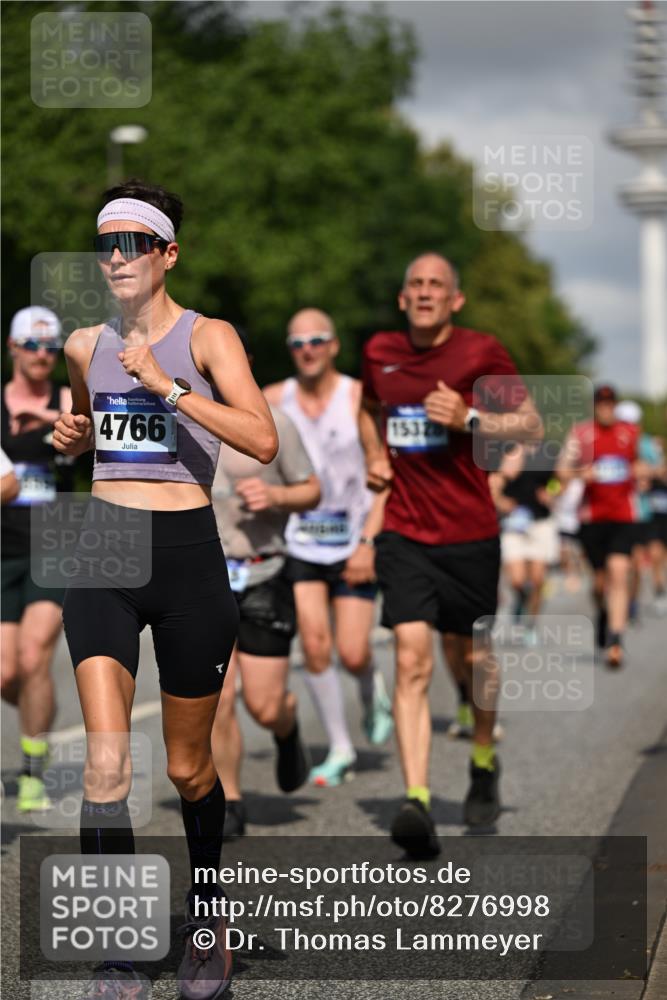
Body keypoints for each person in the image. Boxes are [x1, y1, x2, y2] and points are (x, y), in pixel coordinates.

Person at [53, 179, 277, 1000]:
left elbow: (260, 437)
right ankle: (117, 953)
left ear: (166, 253)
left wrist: (170, 388)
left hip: (188, 552)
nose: (114, 256)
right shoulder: (84, 343)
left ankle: (208, 920)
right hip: (106, 548)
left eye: (131, 242)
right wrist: (76, 438)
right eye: (104, 242)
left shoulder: (208, 337)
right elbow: (91, 431)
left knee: (187, 768)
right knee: (105, 763)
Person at [359, 252, 542, 852]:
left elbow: (530, 426)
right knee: (412, 658)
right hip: (405, 531)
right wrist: (375, 456)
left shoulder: (481, 352)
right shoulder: (380, 350)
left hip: (469, 532)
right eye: (416, 283)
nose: (426, 291)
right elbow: (368, 409)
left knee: (471, 661)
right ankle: (416, 800)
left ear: (455, 299)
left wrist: (467, 416)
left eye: (437, 283)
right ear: (403, 298)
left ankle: (483, 759)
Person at [264, 308, 393, 788]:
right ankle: (340, 747)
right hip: (299, 541)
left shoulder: (359, 396)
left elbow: (385, 478)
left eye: (317, 340)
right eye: (298, 343)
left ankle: (368, 686)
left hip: (354, 539)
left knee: (353, 651)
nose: (308, 349)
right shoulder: (273, 399)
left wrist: (368, 543)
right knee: (315, 646)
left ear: (334, 345)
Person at [211, 328, 320, 838]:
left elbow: (312, 489)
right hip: (204, 576)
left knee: (263, 703)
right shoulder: (184, 422)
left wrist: (276, 499)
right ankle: (229, 797)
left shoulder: (276, 424)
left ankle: (287, 723)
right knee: (216, 696)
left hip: (265, 572)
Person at [1, 307, 74, 813]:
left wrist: (50, 420)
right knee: (7, 675)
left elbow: (96, 432)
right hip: (3, 551)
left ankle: (33, 769)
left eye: (51, 347)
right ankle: (40, 712)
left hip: (56, 546)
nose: (43, 355)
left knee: (34, 658)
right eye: (33, 345)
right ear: (13, 347)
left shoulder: (66, 400)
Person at [557, 385, 638, 669]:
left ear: (615, 405)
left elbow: (644, 464)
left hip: (623, 516)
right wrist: (582, 473)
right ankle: (602, 613)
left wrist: (643, 471)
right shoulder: (580, 434)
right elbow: (562, 470)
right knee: (601, 582)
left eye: (610, 403)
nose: (606, 407)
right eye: (601, 403)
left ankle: (616, 640)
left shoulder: (630, 433)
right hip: (591, 519)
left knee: (619, 573)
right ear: (594, 406)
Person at [492, 442, 560, 646]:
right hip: (514, 524)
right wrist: (501, 501)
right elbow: (492, 484)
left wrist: (551, 492)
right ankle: (520, 603)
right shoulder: (502, 449)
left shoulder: (548, 452)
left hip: (541, 523)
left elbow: (560, 480)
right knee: (517, 581)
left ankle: (530, 625)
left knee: (538, 580)